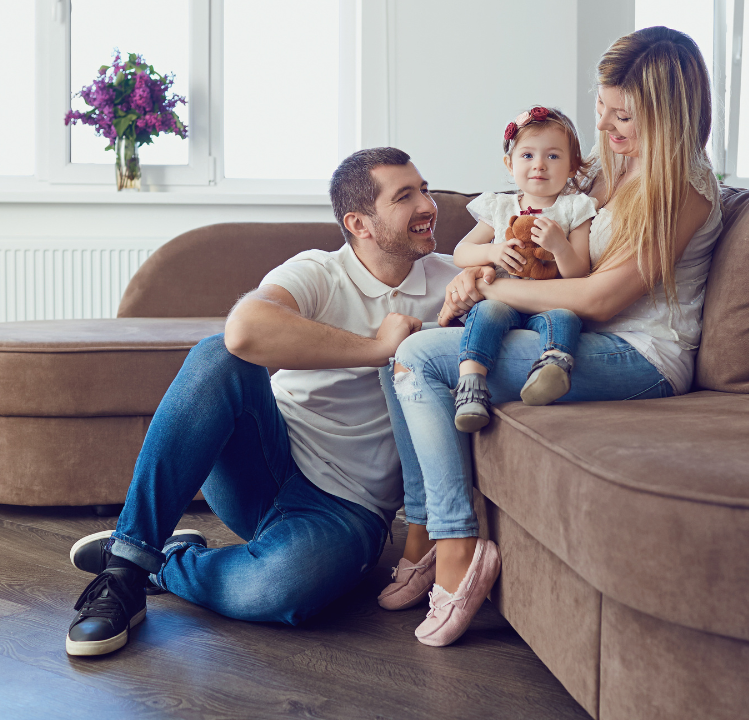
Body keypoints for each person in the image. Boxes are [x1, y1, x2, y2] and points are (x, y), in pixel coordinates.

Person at [377, 26, 722, 648]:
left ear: (670, 117)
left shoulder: (683, 189)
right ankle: (424, 528)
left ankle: (458, 545)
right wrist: (479, 273)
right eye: (603, 108)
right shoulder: (607, 171)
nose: (609, 127)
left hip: (641, 355)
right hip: (575, 333)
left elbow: (599, 296)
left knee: (421, 360)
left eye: (627, 117)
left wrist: (490, 291)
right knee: (397, 357)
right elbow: (535, 250)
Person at [62, 147, 458, 657]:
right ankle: (124, 571)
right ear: (359, 222)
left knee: (281, 590)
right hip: (265, 460)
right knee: (218, 355)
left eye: (425, 189)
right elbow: (245, 330)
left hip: (348, 510)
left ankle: (165, 559)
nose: (428, 205)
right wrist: (378, 349)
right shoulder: (318, 270)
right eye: (406, 196)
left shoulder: (454, 282)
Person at [449, 106, 597, 433]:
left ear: (573, 165)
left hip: (550, 300)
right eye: (527, 155)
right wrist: (493, 251)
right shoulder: (500, 207)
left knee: (566, 318)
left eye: (553, 156)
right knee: (485, 312)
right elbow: (461, 252)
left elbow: (579, 273)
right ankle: (471, 384)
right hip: (505, 299)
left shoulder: (575, 209)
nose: (539, 165)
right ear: (510, 163)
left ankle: (552, 368)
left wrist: (560, 246)